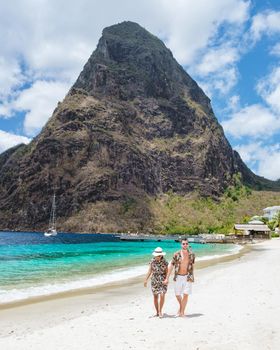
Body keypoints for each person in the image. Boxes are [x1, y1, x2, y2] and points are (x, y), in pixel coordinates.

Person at [163, 238, 195, 317]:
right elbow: (171, 266)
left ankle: (182, 313)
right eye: (183, 244)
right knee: (177, 295)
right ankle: (181, 308)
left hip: (188, 276)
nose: (185, 245)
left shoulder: (192, 254)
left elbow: (192, 265)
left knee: (185, 294)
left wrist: (192, 276)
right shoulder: (176, 254)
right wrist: (167, 278)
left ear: (188, 244)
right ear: (181, 245)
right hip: (178, 277)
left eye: (186, 244)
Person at [144, 247, 168, 318]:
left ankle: (160, 311)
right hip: (154, 280)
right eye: (156, 255)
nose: (157, 257)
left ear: (161, 255)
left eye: (158, 255)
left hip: (162, 280)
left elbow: (167, 271)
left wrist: (166, 279)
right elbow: (149, 271)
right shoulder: (152, 261)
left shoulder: (165, 262)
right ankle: (157, 312)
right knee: (155, 296)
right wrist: (145, 280)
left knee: (162, 295)